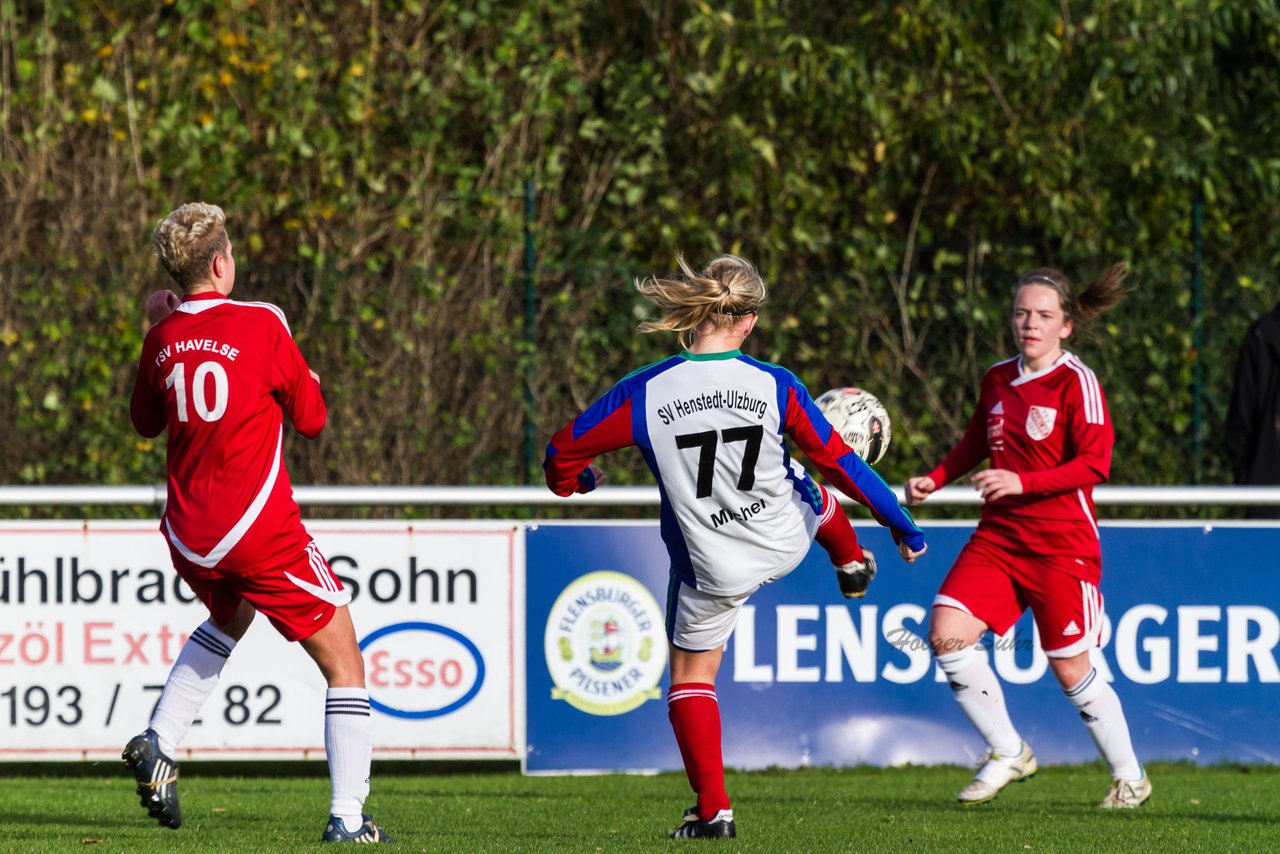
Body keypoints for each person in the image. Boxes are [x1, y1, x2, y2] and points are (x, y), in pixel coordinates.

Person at [543, 254, 927, 839]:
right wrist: (900, 523)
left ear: (693, 311)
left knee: (691, 680)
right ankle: (849, 558)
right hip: (782, 540)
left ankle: (713, 812)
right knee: (810, 488)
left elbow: (559, 455)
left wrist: (579, 481)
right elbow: (842, 463)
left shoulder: (644, 392)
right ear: (748, 321)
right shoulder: (773, 384)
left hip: (713, 566)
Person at [126, 203, 394, 843]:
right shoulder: (263, 322)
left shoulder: (161, 337)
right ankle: (348, 821)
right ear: (221, 263)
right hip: (257, 530)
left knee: (229, 617)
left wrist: (162, 329)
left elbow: (144, 423)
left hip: (190, 536)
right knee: (345, 664)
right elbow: (313, 419)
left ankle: (159, 739)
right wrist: (308, 379)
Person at [904, 264, 1150, 809]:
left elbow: (1095, 463)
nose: (1029, 323)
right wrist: (937, 478)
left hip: (1062, 546)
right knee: (946, 634)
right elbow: (976, 438)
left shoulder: (1076, 382)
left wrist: (1023, 481)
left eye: (1043, 315)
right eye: (1021, 313)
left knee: (1069, 668)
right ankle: (1008, 749)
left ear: (1066, 326)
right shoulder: (996, 377)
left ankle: (1130, 777)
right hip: (999, 538)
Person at [1226, 302, 1280, 519]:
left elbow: (1239, 425)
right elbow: (1240, 424)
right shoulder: (1261, 337)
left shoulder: (1262, 335)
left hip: (1265, 499)